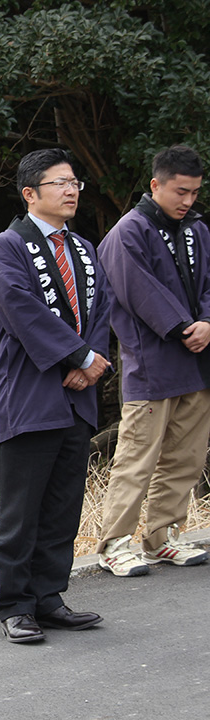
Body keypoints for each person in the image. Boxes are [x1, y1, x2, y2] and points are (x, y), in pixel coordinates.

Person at [0, 148, 112, 644]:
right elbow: (19, 309)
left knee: (62, 504)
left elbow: (103, 310)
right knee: (21, 508)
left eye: (75, 182)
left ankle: (50, 596)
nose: (72, 190)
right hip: (30, 394)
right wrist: (77, 357)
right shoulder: (7, 248)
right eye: (60, 183)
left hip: (76, 397)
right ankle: (16, 605)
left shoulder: (84, 248)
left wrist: (92, 359)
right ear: (30, 193)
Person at [95, 145, 210, 576]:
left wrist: (208, 321)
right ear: (155, 185)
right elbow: (137, 290)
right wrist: (186, 327)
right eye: (181, 191)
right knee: (137, 457)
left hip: (198, 362)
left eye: (195, 193)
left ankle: (163, 536)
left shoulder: (197, 229)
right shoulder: (129, 231)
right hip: (151, 361)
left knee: (187, 456)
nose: (188, 201)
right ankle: (114, 544)